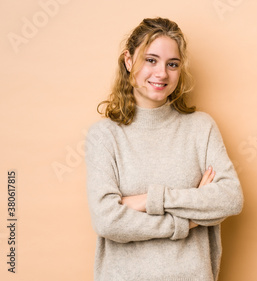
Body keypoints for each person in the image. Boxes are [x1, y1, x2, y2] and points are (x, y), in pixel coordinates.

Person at [84, 17, 244, 281]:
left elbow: (230, 198)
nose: (162, 73)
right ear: (128, 60)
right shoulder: (104, 136)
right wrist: (188, 221)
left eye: (172, 64)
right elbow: (106, 220)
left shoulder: (200, 128)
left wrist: (149, 200)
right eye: (151, 60)